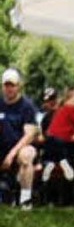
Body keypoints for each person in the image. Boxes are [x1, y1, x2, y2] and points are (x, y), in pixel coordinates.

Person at [0, 68, 38, 208]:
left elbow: (29, 135)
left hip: (20, 147)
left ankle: (25, 201)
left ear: (19, 86)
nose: (9, 88)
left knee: (26, 156)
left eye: (12, 85)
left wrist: (11, 154)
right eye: (6, 85)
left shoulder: (27, 106)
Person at [41, 87, 74, 183]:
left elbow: (73, 128)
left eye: (53, 100)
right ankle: (62, 161)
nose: (50, 103)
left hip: (58, 146)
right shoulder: (47, 118)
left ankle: (56, 162)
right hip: (59, 146)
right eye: (48, 101)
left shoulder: (62, 111)